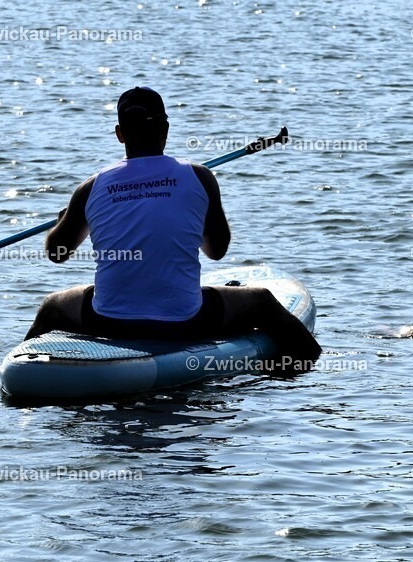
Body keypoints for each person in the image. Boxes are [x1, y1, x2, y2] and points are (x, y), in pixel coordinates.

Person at [24, 86, 321, 363]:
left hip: (108, 321)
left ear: (120, 134)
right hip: (185, 320)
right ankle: (315, 369)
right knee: (261, 301)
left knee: (53, 305)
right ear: (165, 130)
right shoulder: (200, 177)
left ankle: (23, 377)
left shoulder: (90, 188)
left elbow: (57, 253)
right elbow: (216, 251)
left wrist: (68, 218)